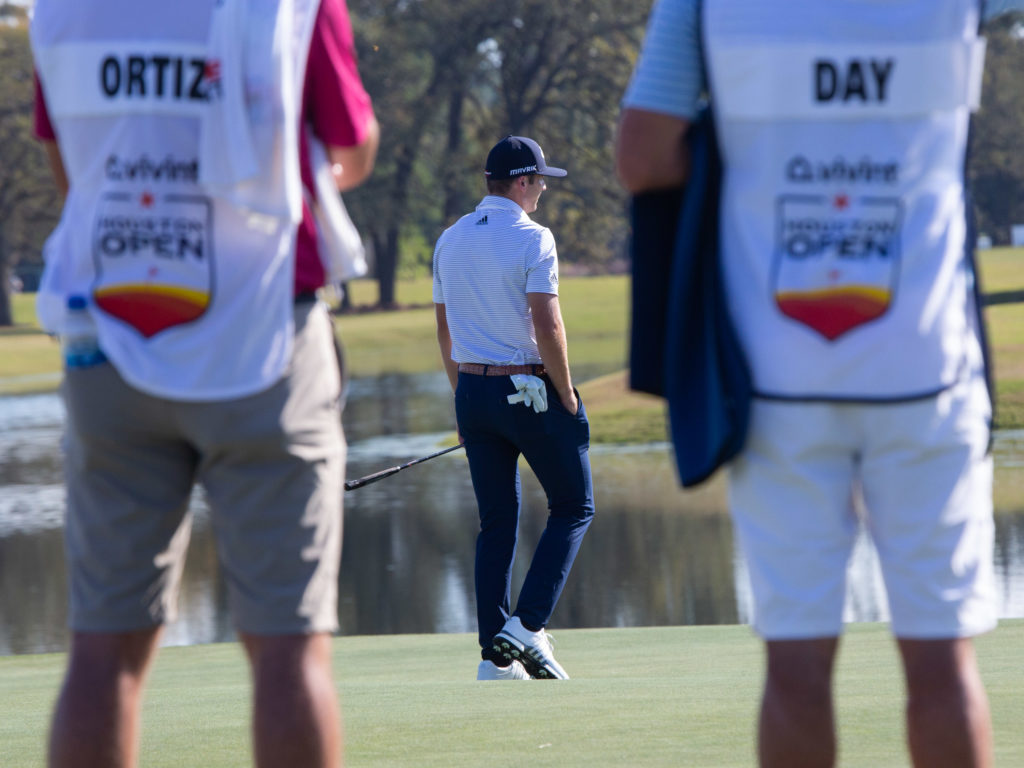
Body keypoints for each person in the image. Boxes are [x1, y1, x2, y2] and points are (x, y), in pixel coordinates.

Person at [615, 1, 1024, 766]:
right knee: (942, 668)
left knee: (796, 671)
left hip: (777, 378)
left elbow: (644, 154)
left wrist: (752, 146)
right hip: (926, 370)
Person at [30, 0, 378, 765]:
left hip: (111, 342)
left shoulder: (60, 7)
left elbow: (70, 165)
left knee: (103, 651)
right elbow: (349, 150)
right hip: (264, 341)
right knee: (289, 650)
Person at [433, 136, 595, 681]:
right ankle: (526, 627)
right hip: (527, 391)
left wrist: (461, 396)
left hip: (474, 394)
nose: (545, 187)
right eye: (541, 178)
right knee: (574, 505)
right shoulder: (534, 238)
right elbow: (547, 326)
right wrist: (567, 395)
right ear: (522, 182)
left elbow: (444, 328)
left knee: (497, 522)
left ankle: (494, 658)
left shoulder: (449, 240)